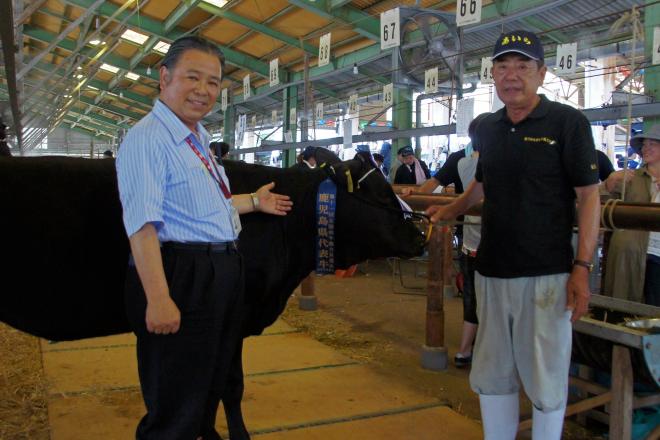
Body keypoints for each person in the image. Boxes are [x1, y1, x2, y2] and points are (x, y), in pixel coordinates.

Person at [115, 35, 292, 440]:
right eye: (192, 77)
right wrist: (159, 300)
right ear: (164, 77)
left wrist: (253, 202)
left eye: (213, 82)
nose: (203, 90)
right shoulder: (148, 139)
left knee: (208, 383)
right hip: (182, 275)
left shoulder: (196, 137)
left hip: (219, 270)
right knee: (176, 398)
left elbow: (202, 209)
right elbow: (142, 226)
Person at [426, 30, 600, 439]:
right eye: (503, 66)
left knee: (545, 370)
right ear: (493, 75)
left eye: (523, 66)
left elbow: (589, 197)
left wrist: (582, 268)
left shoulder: (567, 122)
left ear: (541, 73)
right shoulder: (487, 127)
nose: (512, 75)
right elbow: (482, 186)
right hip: (491, 270)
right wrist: (449, 210)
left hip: (546, 273)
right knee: (493, 369)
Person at [603, 125, 660, 306]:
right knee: (628, 309)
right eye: (644, 144)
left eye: (653, 144)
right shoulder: (629, 178)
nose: (646, 148)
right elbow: (595, 204)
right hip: (631, 254)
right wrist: (610, 182)